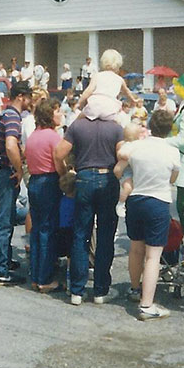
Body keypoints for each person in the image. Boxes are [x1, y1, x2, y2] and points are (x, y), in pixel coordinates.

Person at [53, 89, 125, 306]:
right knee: (105, 235)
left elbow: (58, 153)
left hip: (83, 178)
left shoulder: (78, 126)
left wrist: (65, 173)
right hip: (107, 179)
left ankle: (77, 289)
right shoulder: (115, 129)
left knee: (80, 234)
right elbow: (122, 155)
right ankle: (101, 290)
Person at [115, 110, 181, 321]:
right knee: (153, 255)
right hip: (158, 200)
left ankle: (135, 289)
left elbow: (120, 162)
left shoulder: (137, 146)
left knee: (136, 248)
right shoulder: (172, 151)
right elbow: (173, 177)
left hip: (136, 198)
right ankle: (147, 304)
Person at [0, 80, 33, 286]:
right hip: (5, 173)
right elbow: (10, 145)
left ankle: (4, 261)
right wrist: (18, 169)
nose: (30, 102)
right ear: (21, 97)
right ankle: (0, 270)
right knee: (5, 222)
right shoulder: (13, 116)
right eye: (29, 98)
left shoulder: (7, 115)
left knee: (5, 219)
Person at [24, 98, 64, 293]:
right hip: (49, 182)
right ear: (50, 114)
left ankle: (36, 275)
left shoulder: (33, 136)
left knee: (37, 230)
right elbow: (58, 161)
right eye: (57, 111)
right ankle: (45, 278)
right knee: (48, 230)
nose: (60, 114)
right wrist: (65, 176)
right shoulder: (52, 136)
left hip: (34, 181)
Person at [76, 49, 140, 121]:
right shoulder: (120, 79)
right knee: (118, 123)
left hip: (94, 106)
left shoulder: (97, 76)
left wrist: (79, 102)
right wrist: (133, 100)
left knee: (79, 118)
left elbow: (88, 91)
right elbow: (127, 91)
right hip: (110, 109)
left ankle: (71, 129)